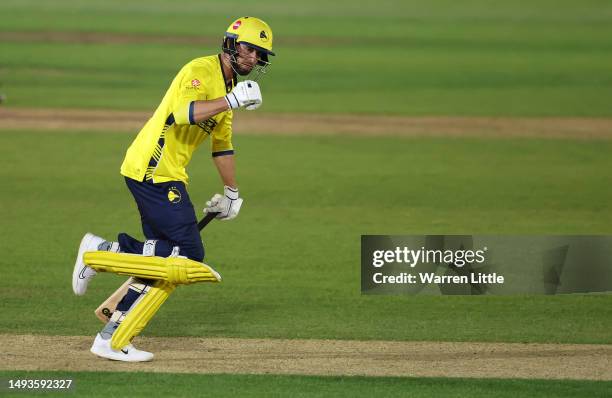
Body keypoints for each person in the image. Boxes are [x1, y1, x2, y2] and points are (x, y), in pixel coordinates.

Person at [71, 16, 275, 362]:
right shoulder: (201, 70)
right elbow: (183, 113)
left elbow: (222, 147)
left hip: (170, 173)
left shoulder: (229, 91)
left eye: (260, 54)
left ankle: (112, 336)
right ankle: (97, 253)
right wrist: (232, 101)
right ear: (230, 43)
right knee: (189, 254)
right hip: (152, 169)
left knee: (162, 261)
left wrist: (231, 193)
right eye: (249, 48)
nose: (253, 58)